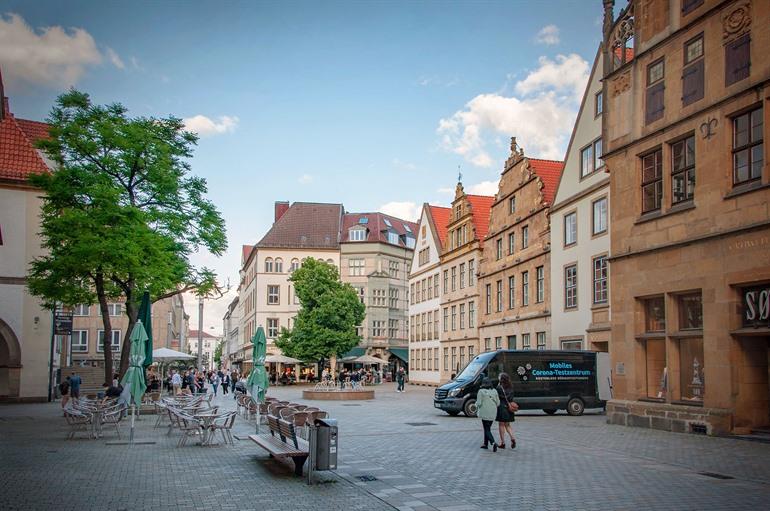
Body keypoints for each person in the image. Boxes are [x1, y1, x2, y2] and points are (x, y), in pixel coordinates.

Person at [476, 377, 500, 452]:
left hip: (484, 412)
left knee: (486, 429)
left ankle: (493, 442)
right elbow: (498, 403)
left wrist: (475, 405)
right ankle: (485, 444)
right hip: (493, 412)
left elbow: (479, 403)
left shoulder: (481, 391)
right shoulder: (495, 391)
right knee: (488, 428)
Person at [496, 372, 517, 449]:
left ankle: (503, 442)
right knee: (507, 425)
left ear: (501, 379)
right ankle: (512, 438)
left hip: (502, 407)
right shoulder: (511, 387)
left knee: (501, 425)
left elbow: (497, 396)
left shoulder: (499, 387)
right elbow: (511, 397)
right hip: (509, 407)